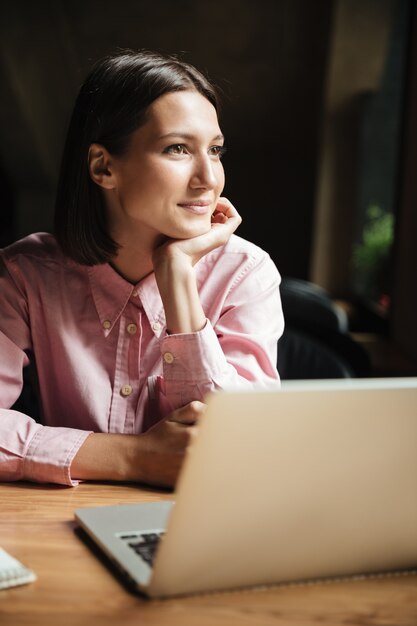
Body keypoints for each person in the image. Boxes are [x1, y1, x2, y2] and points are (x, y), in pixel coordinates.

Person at [0, 49, 284, 489]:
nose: (208, 177)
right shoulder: (26, 275)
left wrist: (178, 281)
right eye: (177, 149)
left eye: (215, 150)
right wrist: (133, 459)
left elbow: (241, 449)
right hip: (66, 521)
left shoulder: (247, 273)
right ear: (103, 166)